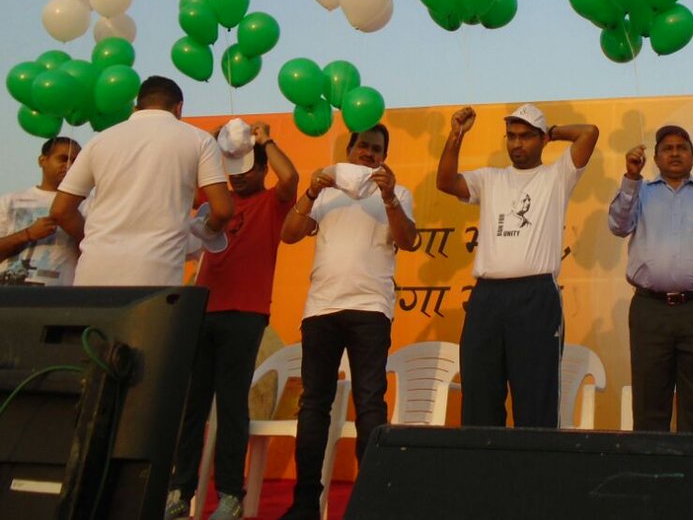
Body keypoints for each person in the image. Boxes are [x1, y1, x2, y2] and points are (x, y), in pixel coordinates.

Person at [278, 124, 418, 520]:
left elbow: (409, 241)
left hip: (371, 310)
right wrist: (311, 191)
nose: (369, 155)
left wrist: (390, 197)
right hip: (321, 310)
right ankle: (305, 504)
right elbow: (289, 235)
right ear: (350, 149)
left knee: (370, 404)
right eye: (363, 147)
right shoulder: (327, 193)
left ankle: (370, 501)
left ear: (384, 157)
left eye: (377, 150)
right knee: (313, 405)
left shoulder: (398, 193)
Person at [165, 120, 299, 520]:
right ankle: (179, 490)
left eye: (247, 173)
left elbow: (291, 176)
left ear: (261, 170)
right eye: (233, 174)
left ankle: (229, 495)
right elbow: (181, 190)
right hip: (201, 309)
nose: (238, 181)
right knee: (192, 406)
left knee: (231, 406)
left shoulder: (272, 203)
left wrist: (265, 140)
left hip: (245, 313)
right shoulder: (214, 200)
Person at [436, 103, 599, 428]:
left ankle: (533, 478)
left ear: (540, 140)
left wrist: (551, 133)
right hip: (487, 297)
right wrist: (456, 135)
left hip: (535, 296)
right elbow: (445, 182)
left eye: (525, 136)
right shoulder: (489, 178)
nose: (516, 144)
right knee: (480, 398)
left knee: (535, 399)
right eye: (511, 136)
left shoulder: (557, 175)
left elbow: (589, 133)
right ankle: (486, 476)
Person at [608, 124, 693, 432]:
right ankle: (651, 480)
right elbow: (618, 225)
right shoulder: (639, 190)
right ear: (655, 158)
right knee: (649, 407)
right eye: (667, 148)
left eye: (681, 148)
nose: (674, 153)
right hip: (650, 310)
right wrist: (631, 177)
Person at [50, 76, 234, 285]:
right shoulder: (199, 140)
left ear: (137, 108)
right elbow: (223, 210)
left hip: (93, 271)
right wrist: (207, 229)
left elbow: (60, 210)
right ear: (179, 108)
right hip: (156, 273)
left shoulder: (100, 140)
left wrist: (92, 240)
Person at [0, 136, 82, 286]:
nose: (69, 166)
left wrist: (72, 224)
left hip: (58, 299)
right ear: (42, 160)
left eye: (76, 161)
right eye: (63, 159)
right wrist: (28, 234)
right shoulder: (9, 201)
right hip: (8, 296)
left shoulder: (87, 204)